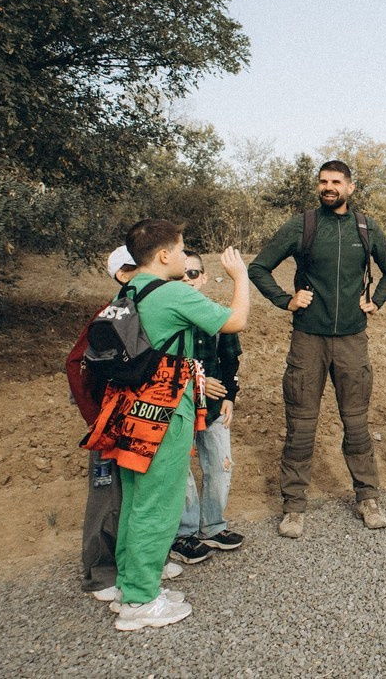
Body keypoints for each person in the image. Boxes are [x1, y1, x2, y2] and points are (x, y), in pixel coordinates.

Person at [105, 219, 250, 631]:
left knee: (135, 499)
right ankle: (141, 602)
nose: (187, 255)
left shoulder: (129, 289)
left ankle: (131, 584)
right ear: (165, 255)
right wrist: (240, 277)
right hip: (163, 409)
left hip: (128, 407)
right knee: (158, 503)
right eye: (183, 248)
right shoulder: (169, 292)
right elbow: (235, 321)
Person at [248, 159, 386, 537]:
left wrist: (376, 300)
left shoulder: (365, 227)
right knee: (301, 427)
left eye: (335, 182)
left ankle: (368, 498)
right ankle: (294, 507)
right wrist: (286, 300)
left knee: (357, 424)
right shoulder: (303, 224)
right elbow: (258, 268)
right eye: (323, 182)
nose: (328, 187)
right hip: (308, 340)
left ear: (350, 187)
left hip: (352, 340)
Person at [80, 247, 182, 603]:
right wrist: (97, 416)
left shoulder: (140, 307)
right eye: (132, 268)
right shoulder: (116, 313)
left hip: (124, 416)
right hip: (113, 420)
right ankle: (101, 576)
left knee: (133, 500)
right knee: (109, 502)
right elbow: (79, 364)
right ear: (123, 275)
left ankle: (132, 573)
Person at [169, 253, 246, 565]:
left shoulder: (215, 316)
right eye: (181, 274)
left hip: (214, 407)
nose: (187, 278)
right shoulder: (170, 317)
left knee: (220, 464)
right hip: (180, 406)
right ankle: (183, 534)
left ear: (202, 277)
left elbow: (231, 359)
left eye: (193, 273)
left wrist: (230, 396)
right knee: (180, 471)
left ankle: (212, 526)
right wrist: (197, 384)